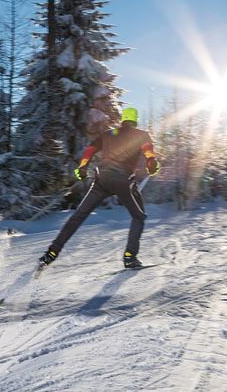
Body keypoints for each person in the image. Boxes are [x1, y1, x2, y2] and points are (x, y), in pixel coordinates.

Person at [38, 107, 160, 270]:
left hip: (101, 179)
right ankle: (130, 256)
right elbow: (148, 151)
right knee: (138, 216)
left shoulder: (109, 134)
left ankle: (51, 253)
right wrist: (151, 163)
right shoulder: (141, 134)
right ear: (135, 120)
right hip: (123, 180)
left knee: (78, 216)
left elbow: (90, 149)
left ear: (123, 120)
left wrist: (82, 168)